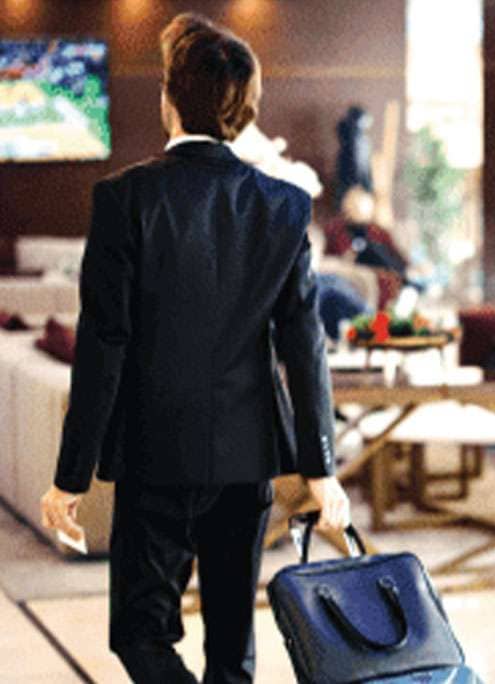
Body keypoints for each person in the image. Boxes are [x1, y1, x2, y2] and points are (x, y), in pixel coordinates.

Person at [39, 13, 350, 683]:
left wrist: (70, 475)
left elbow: (104, 344)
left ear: (169, 99)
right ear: (243, 111)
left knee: (139, 634)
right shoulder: (286, 206)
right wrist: (320, 470)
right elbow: (305, 346)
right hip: (248, 459)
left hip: (154, 456)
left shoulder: (124, 198)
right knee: (232, 651)